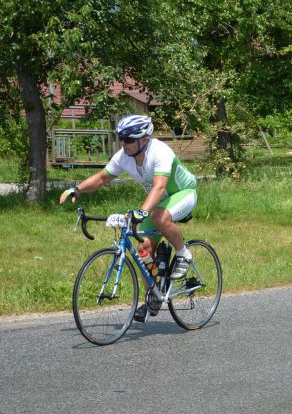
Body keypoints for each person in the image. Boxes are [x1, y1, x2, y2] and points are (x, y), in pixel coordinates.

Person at [59, 115, 197, 320]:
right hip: (159, 202)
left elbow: (159, 186)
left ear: (143, 139)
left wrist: (141, 212)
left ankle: (183, 253)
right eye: (121, 138)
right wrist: (77, 189)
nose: (123, 143)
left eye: (128, 139)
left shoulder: (159, 151)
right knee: (143, 249)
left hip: (184, 193)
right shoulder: (124, 156)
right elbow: (102, 178)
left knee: (159, 216)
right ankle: (154, 293)